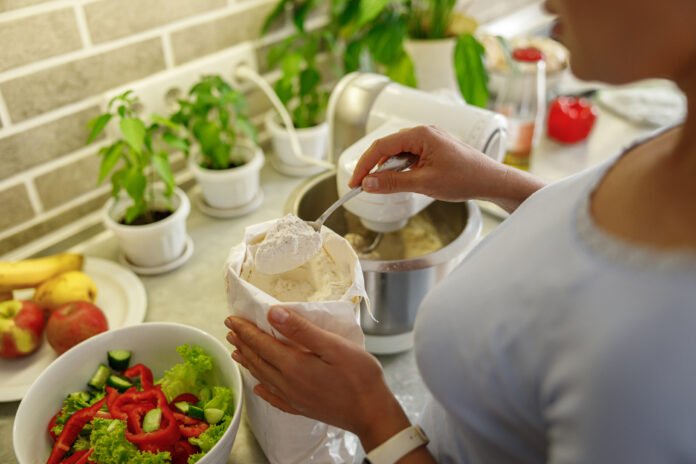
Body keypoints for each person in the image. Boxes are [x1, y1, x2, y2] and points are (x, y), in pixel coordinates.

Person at [225, 0, 696, 461]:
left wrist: (370, 414)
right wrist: (492, 180)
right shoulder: (674, 139)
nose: (548, 2)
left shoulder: (666, 353)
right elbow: (596, 241)